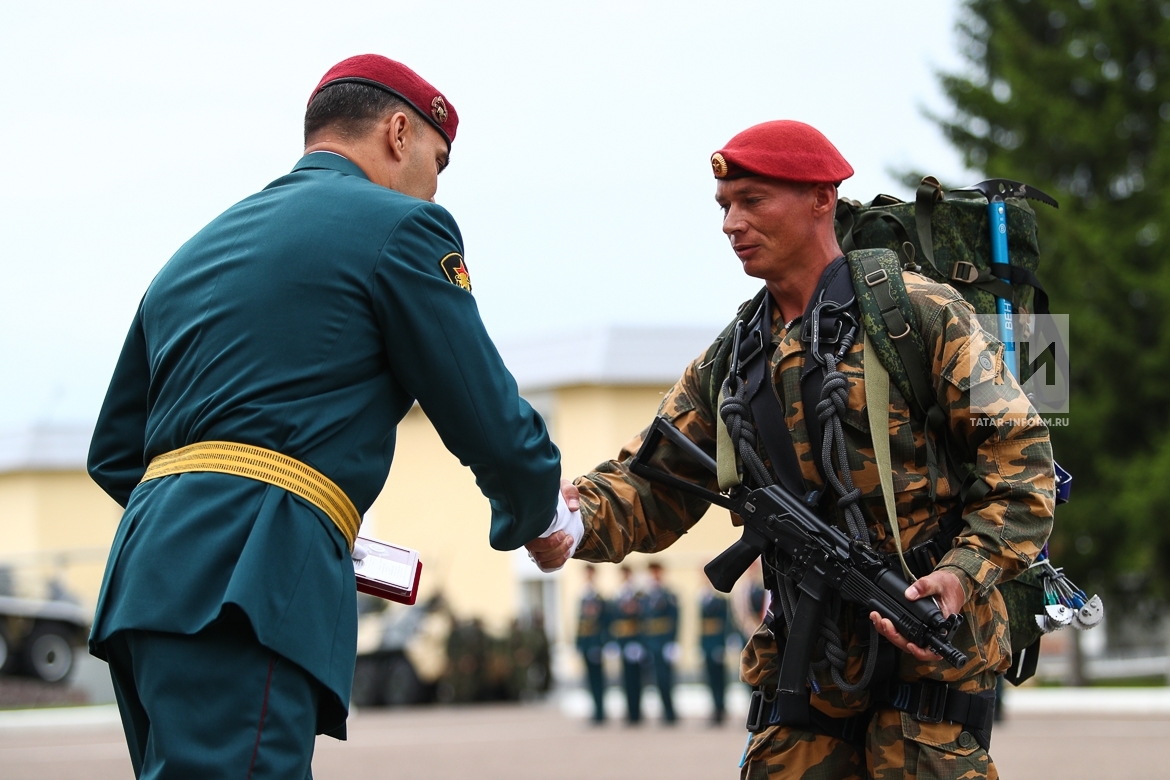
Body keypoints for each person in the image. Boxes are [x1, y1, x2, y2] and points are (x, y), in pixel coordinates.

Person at [87, 54, 580, 778]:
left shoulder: (193, 252)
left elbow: (114, 453)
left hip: (144, 580)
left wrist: (260, 519)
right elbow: (481, 406)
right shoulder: (403, 227)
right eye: (439, 163)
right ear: (399, 132)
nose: (435, 185)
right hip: (244, 585)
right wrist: (539, 510)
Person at [528, 120, 1054, 779]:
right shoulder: (736, 354)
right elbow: (655, 481)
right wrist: (570, 518)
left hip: (928, 660)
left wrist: (961, 573)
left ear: (820, 199)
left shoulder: (916, 315)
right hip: (805, 670)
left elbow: (1021, 467)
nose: (731, 224)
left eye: (752, 200)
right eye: (725, 206)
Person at [640, 561, 679, 724]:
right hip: (651, 643)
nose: (654, 576)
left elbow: (675, 619)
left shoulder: (668, 595)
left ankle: (670, 714)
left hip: (664, 641)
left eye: (656, 572)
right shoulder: (645, 596)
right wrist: (644, 644)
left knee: (666, 679)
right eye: (652, 572)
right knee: (652, 680)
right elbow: (643, 622)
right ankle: (661, 712)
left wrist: (673, 642)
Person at [607, 565, 646, 724]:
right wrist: (614, 642)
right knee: (625, 680)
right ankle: (630, 712)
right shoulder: (618, 595)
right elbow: (614, 620)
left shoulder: (638, 595)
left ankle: (637, 712)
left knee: (638, 679)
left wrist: (640, 642)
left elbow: (643, 620)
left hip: (635, 640)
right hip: (623, 642)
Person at [575, 564, 610, 723]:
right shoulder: (583, 597)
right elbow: (581, 624)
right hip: (586, 644)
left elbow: (604, 623)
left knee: (598, 680)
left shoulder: (599, 598)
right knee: (589, 680)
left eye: (590, 573)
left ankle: (600, 712)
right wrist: (579, 644)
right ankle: (595, 711)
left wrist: (601, 644)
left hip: (596, 644)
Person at [698, 575, 732, 725]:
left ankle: (721, 708)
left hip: (718, 642)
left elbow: (725, 622)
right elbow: (701, 624)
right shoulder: (702, 599)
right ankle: (714, 707)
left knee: (720, 679)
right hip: (707, 643)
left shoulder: (720, 600)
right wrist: (700, 645)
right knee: (710, 678)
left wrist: (723, 644)